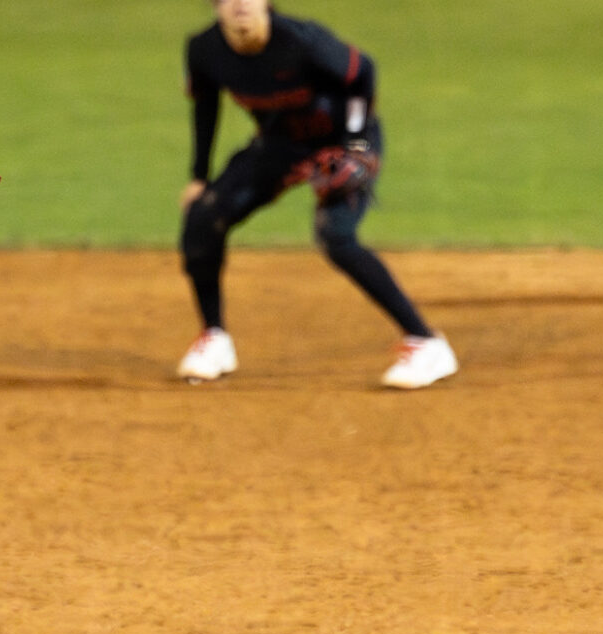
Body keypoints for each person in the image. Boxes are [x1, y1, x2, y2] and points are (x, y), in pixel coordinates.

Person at [176, 0, 457, 389]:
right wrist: (199, 177)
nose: (240, 4)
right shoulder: (204, 50)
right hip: (280, 144)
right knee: (202, 218)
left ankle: (426, 343)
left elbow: (362, 73)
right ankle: (214, 339)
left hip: (342, 141)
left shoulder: (302, 41)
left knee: (336, 236)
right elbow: (206, 105)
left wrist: (356, 144)